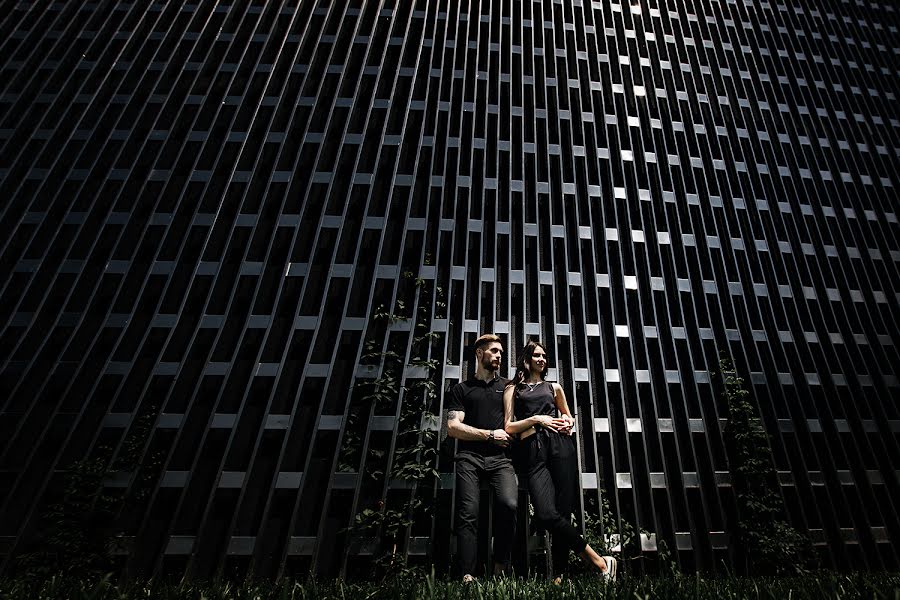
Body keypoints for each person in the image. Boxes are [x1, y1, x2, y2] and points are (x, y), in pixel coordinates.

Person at [503, 340, 617, 581]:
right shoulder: (514, 389)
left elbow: (568, 416)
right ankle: (600, 561)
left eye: (544, 356)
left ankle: (559, 577)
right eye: (537, 355)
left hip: (560, 447)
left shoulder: (554, 387)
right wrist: (537, 419)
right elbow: (509, 426)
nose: (542, 359)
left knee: (563, 513)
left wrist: (569, 422)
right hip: (532, 449)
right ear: (527, 359)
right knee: (545, 513)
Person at [446, 334, 517, 582]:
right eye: (494, 351)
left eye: (501, 352)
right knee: (468, 513)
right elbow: (453, 427)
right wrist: (488, 435)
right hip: (469, 458)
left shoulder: (507, 387)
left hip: (501, 460)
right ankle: (467, 574)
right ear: (479, 354)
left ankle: (500, 569)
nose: (499, 355)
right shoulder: (462, 389)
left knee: (509, 505)